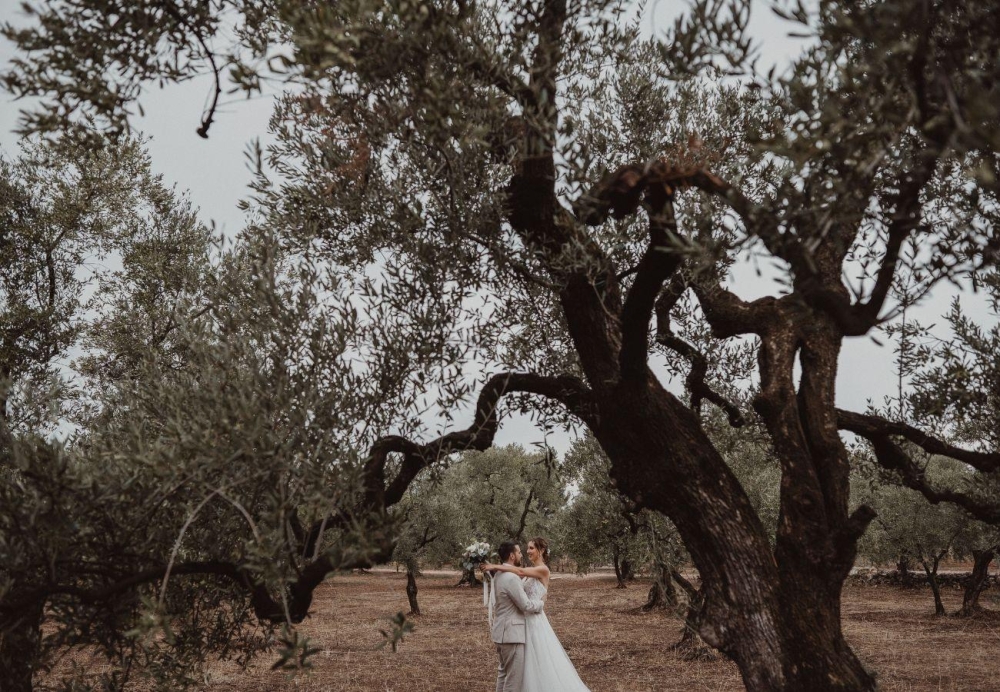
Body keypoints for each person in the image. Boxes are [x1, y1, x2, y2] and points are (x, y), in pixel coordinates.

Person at [482, 538, 591, 692]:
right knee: (517, 669)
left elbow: (518, 572)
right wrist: (497, 570)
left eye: (531, 548)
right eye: (526, 549)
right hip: (521, 622)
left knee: (537, 663)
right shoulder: (527, 570)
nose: (527, 551)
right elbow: (514, 580)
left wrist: (495, 565)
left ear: (541, 551)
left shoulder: (543, 570)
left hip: (534, 620)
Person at [487, 541, 546, 692]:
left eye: (530, 548)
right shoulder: (511, 577)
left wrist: (495, 566)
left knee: (503, 674)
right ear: (512, 556)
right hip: (512, 634)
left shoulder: (499, 575)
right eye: (520, 551)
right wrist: (540, 604)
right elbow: (525, 605)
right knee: (513, 681)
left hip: (502, 631)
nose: (523, 553)